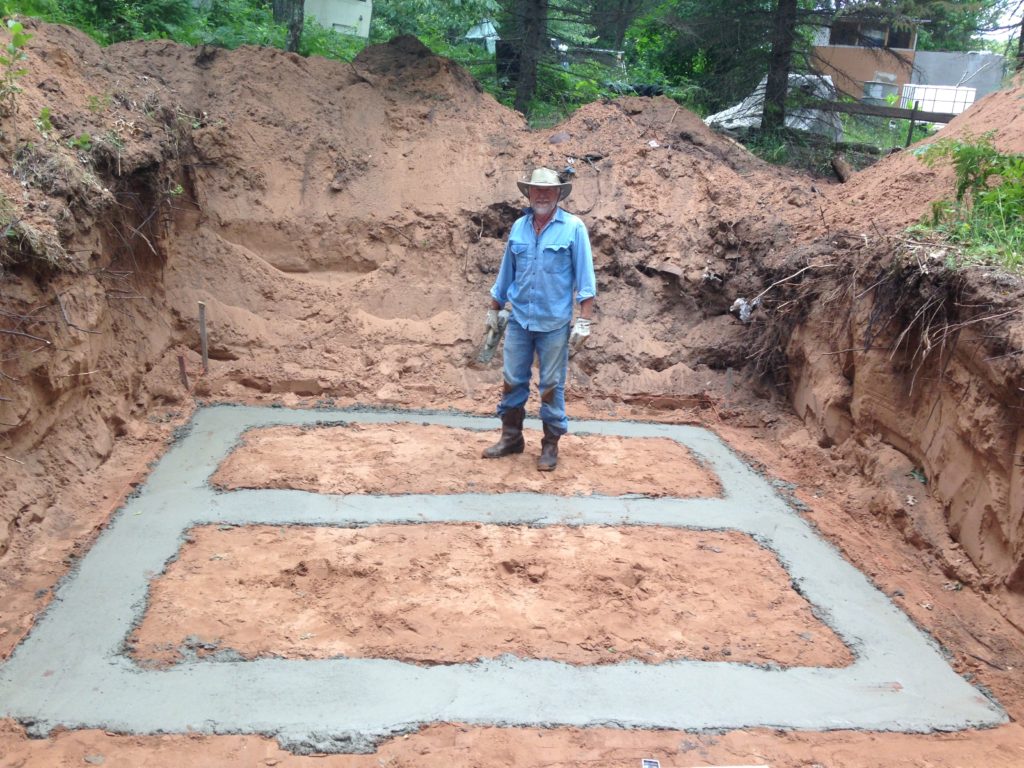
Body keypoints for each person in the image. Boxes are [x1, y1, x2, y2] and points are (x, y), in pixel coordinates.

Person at [482, 167, 597, 471]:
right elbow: (506, 273)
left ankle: (550, 445)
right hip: (519, 319)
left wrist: (585, 320)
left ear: (559, 195)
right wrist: (494, 309)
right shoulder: (519, 227)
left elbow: (586, 278)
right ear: (528, 194)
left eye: (548, 190)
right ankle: (511, 438)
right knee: (512, 381)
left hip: (554, 324)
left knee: (550, 384)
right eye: (537, 190)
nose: (542, 195)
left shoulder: (574, 228)